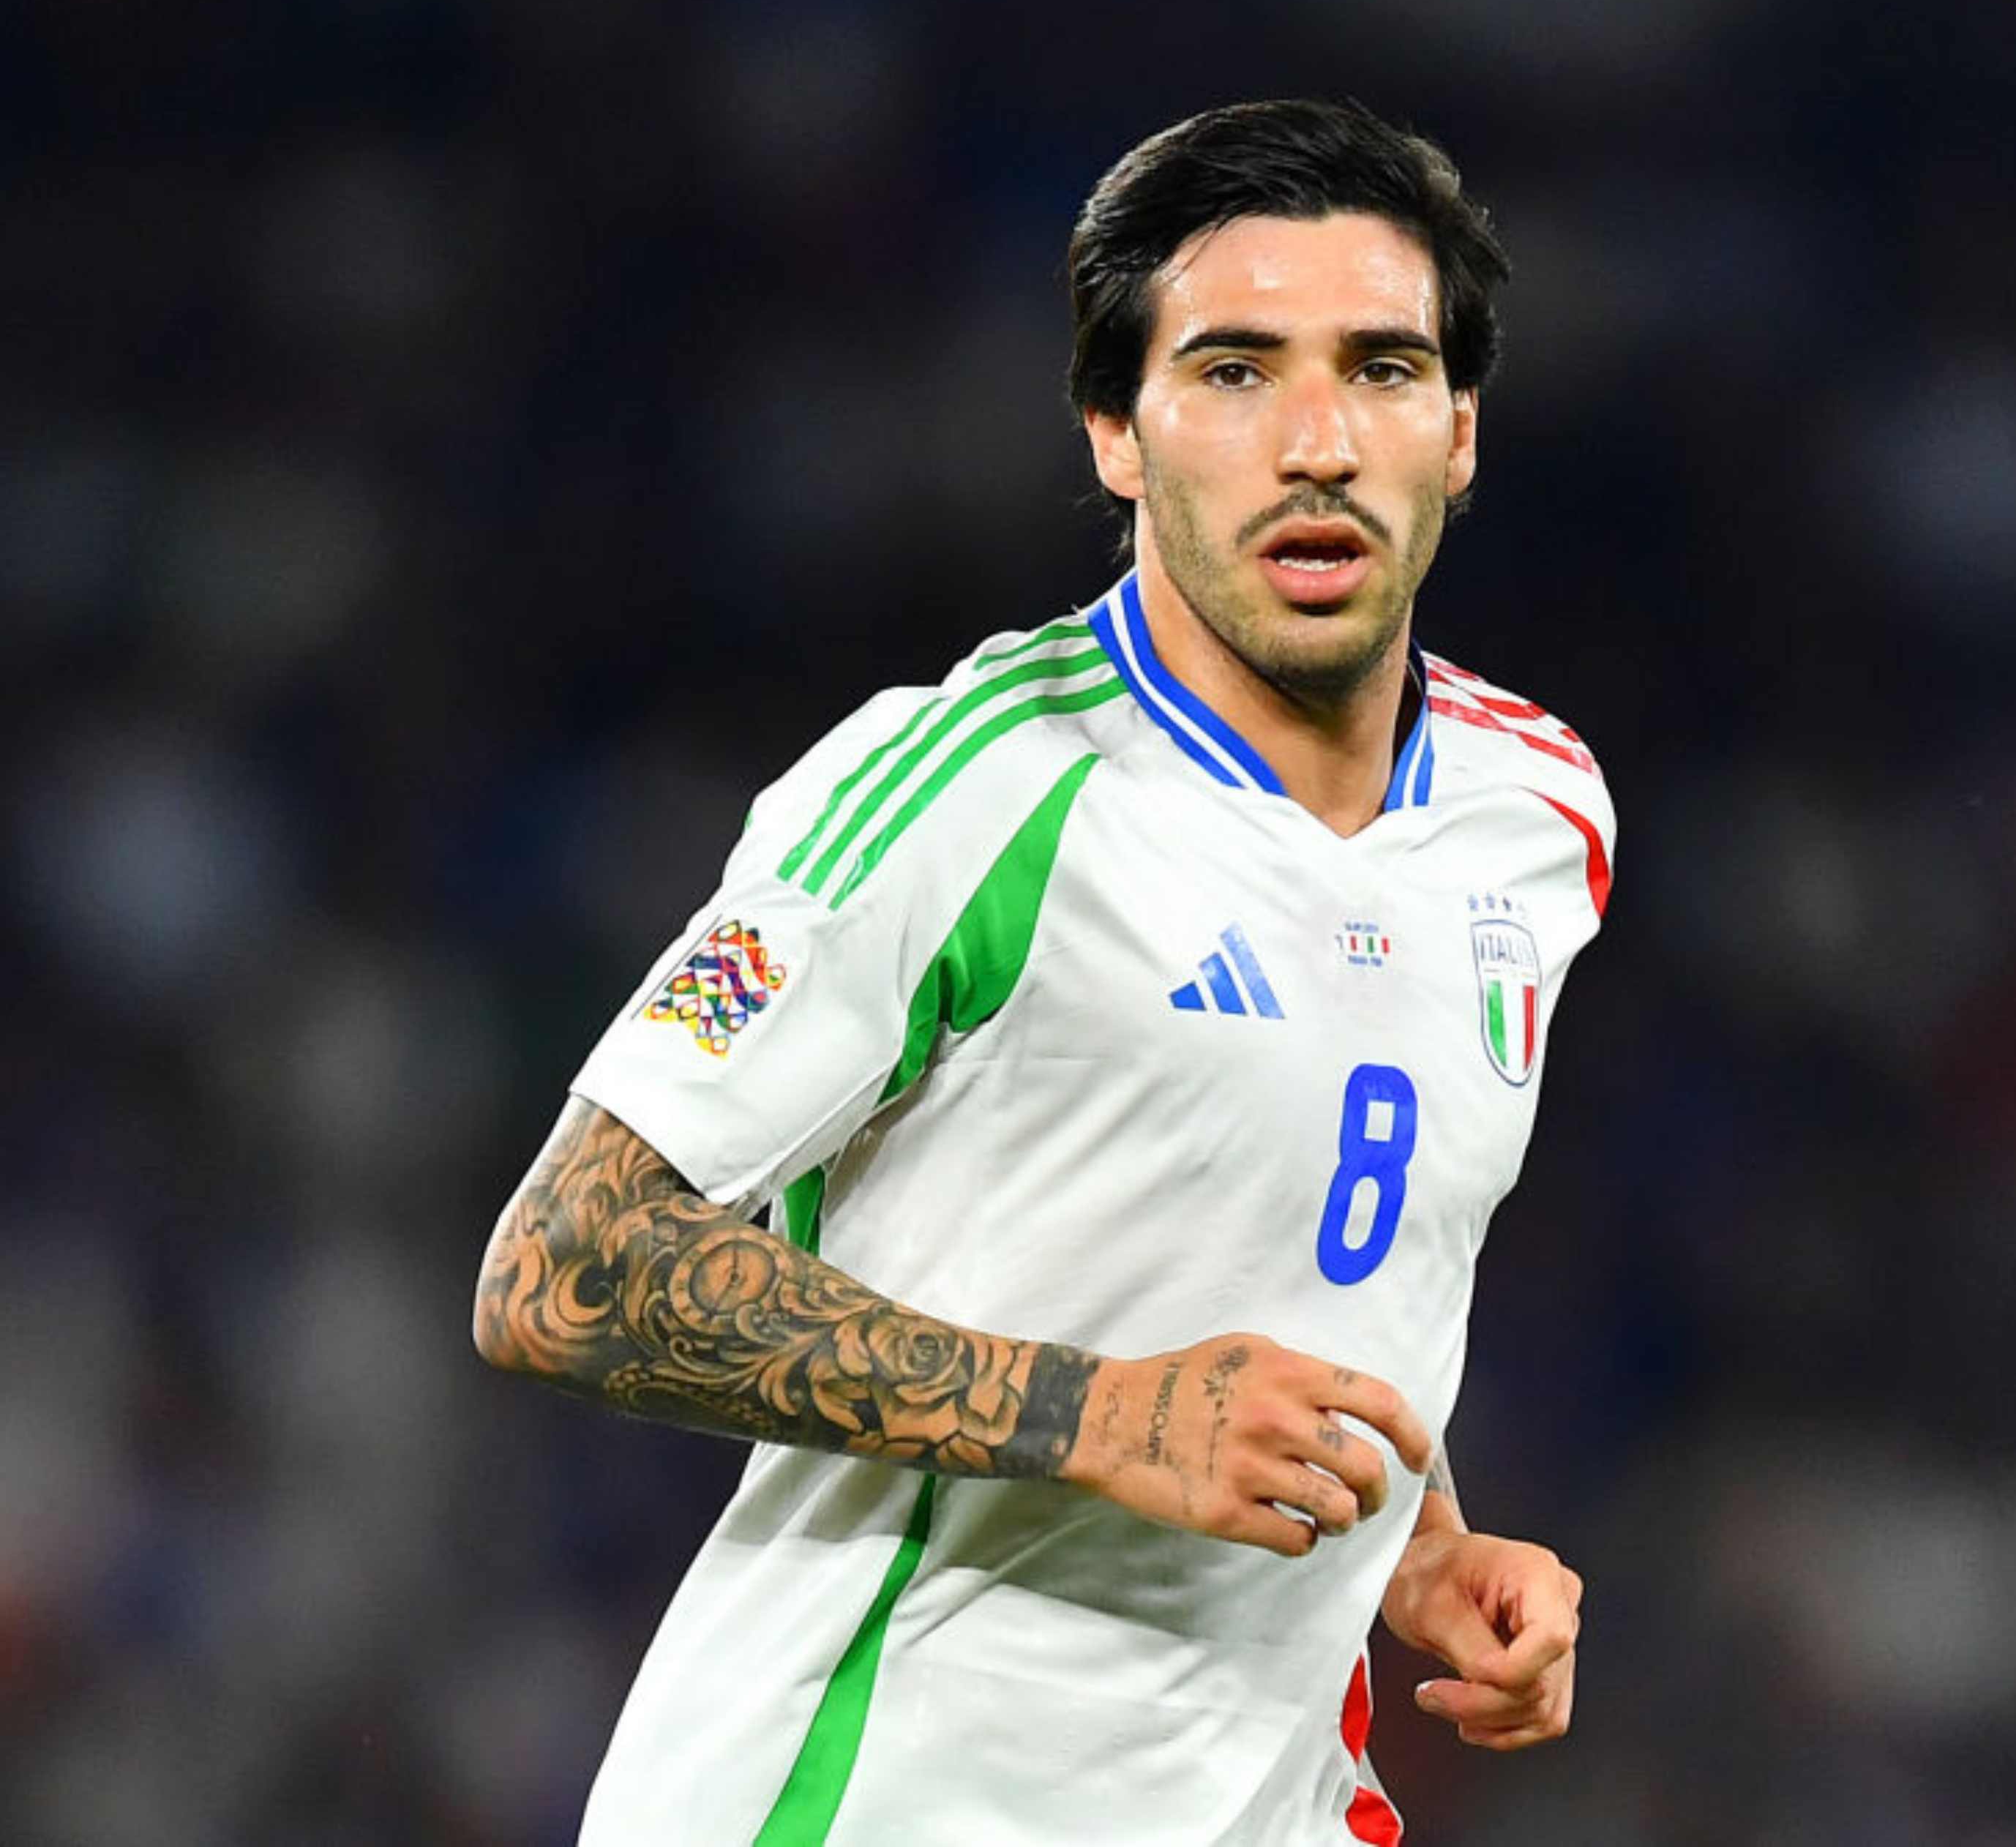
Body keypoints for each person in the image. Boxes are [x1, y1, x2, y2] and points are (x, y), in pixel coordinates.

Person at [473, 99, 1616, 1846]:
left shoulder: (1536, 810)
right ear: (1115, 431)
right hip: (879, 1796)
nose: (1317, 441)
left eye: (1382, 368)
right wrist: (1104, 1411)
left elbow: (1311, 1239)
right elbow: (565, 1263)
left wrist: (1419, 1543)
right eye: (1234, 371)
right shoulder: (975, 786)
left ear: (1459, 431)